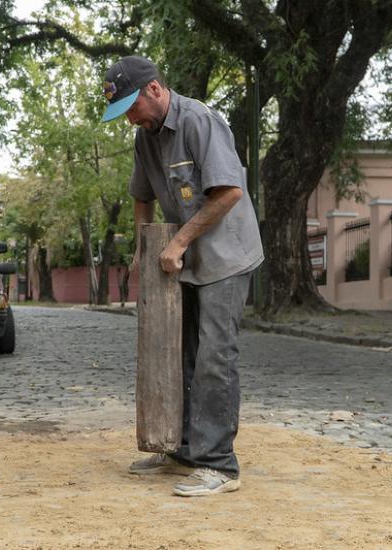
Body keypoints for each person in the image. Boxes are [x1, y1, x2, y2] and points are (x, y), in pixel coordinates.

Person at [101, 55, 264, 497]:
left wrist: (177, 243)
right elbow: (141, 196)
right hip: (184, 260)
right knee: (181, 355)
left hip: (226, 256)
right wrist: (144, 245)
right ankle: (184, 449)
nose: (130, 119)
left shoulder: (198, 121)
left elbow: (229, 191)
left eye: (131, 107)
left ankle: (219, 466)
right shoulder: (146, 137)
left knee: (215, 357)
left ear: (154, 89)